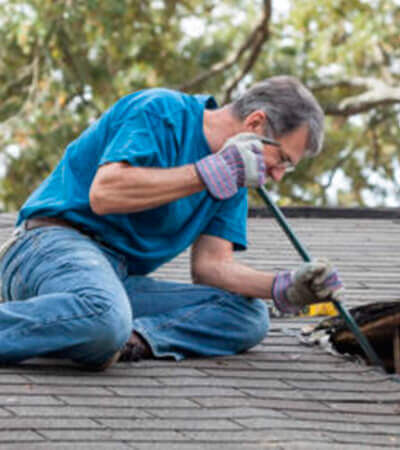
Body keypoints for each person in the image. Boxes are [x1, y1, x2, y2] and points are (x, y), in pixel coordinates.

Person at [0, 76, 343, 370]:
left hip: (114, 281)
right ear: (255, 123)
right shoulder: (159, 111)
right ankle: (99, 328)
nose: (279, 175)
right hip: (48, 246)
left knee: (249, 317)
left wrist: (284, 286)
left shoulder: (236, 180)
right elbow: (105, 194)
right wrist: (204, 174)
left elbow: (212, 268)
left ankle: (125, 340)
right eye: (282, 158)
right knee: (104, 315)